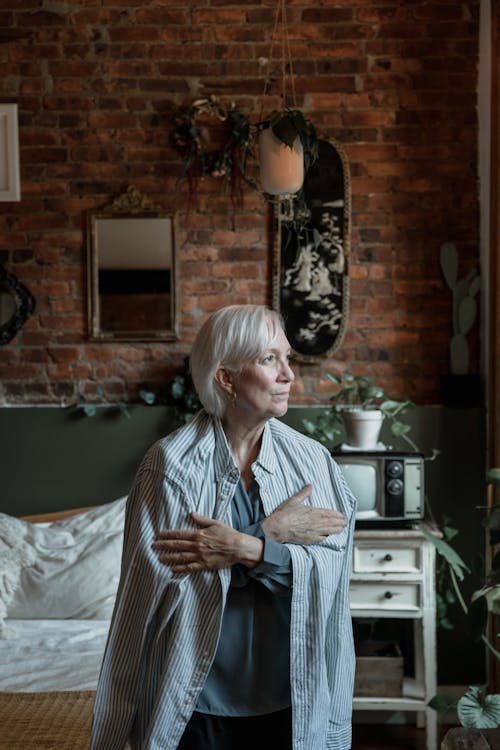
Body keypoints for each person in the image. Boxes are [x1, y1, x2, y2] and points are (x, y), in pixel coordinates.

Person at [90, 304, 357, 750]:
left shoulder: (313, 462)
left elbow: (333, 577)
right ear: (226, 378)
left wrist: (247, 546)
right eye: (270, 359)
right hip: (197, 702)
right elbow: (155, 592)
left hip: (289, 695)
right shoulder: (170, 465)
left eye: (287, 358)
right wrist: (273, 537)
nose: (289, 374)